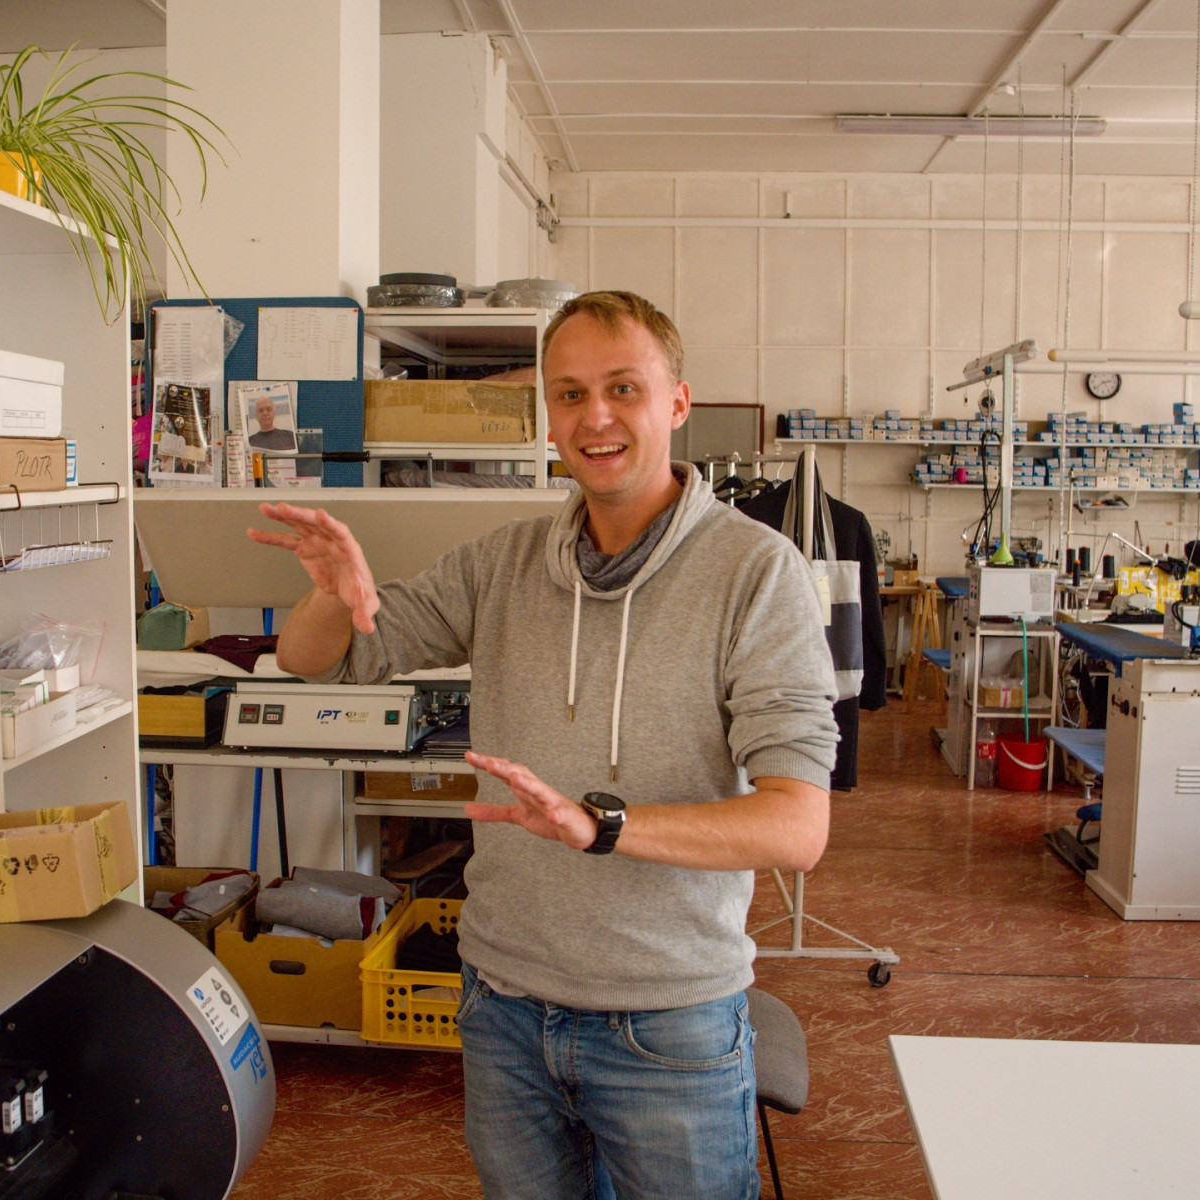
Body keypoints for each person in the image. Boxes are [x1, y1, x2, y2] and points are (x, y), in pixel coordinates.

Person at [248, 290, 837, 1200]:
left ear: (677, 403)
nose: (594, 417)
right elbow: (316, 658)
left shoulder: (758, 574)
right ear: (548, 417)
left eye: (622, 388)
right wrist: (332, 591)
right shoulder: (502, 562)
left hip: (667, 1018)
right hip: (504, 1006)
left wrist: (605, 827)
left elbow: (796, 828)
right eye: (569, 394)